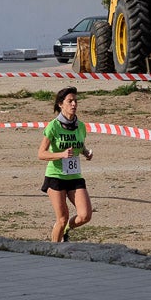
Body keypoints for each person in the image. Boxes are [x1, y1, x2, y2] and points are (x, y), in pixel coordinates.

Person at [38, 86, 93, 242]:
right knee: (62, 219)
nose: (74, 104)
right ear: (61, 104)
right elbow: (41, 154)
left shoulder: (81, 126)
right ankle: (54, 252)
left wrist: (86, 152)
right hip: (56, 177)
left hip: (74, 176)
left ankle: (67, 230)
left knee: (85, 215)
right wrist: (60, 155)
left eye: (75, 101)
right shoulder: (53, 127)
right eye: (70, 101)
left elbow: (79, 145)